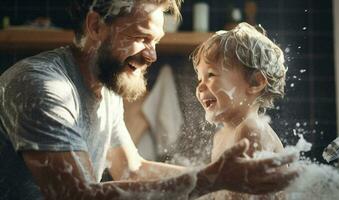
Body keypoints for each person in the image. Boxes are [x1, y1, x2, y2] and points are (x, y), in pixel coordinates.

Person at [0, 1, 298, 199]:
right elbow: (76, 196)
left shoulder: (106, 89)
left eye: (155, 42)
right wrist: (214, 179)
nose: (151, 55)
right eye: (142, 38)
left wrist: (222, 183)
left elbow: (132, 170)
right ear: (95, 26)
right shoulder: (45, 88)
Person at [192, 22, 287, 199]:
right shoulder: (220, 136)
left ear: (255, 83)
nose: (200, 87)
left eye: (211, 75)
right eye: (199, 79)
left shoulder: (251, 129)